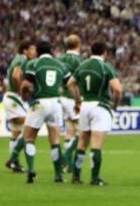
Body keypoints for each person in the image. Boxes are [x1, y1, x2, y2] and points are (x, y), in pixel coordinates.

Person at [16, 40, 71, 183]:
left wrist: (24, 95)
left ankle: (31, 171)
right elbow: (70, 82)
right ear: (51, 51)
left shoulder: (33, 64)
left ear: (38, 51)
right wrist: (61, 89)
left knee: (29, 137)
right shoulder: (60, 65)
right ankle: (58, 176)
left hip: (40, 102)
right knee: (55, 141)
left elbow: (25, 84)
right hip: (56, 104)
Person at [68, 42, 122, 186]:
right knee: (96, 144)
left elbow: (70, 83)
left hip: (85, 105)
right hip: (100, 106)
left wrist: (77, 100)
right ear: (104, 52)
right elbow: (117, 89)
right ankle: (95, 178)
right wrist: (115, 105)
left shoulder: (82, 65)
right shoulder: (106, 67)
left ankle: (76, 176)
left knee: (82, 142)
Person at [4, 41, 37, 173]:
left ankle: (14, 163)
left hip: (10, 96)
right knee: (30, 124)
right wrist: (20, 91)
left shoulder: (16, 59)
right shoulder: (22, 60)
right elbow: (16, 75)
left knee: (16, 131)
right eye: (32, 49)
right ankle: (13, 159)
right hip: (14, 97)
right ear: (25, 50)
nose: (34, 52)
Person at [58, 34, 84, 171]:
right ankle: (66, 157)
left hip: (61, 97)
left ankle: (68, 165)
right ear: (79, 44)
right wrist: (78, 100)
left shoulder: (59, 59)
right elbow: (79, 81)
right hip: (73, 98)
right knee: (82, 131)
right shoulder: (79, 61)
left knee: (69, 130)